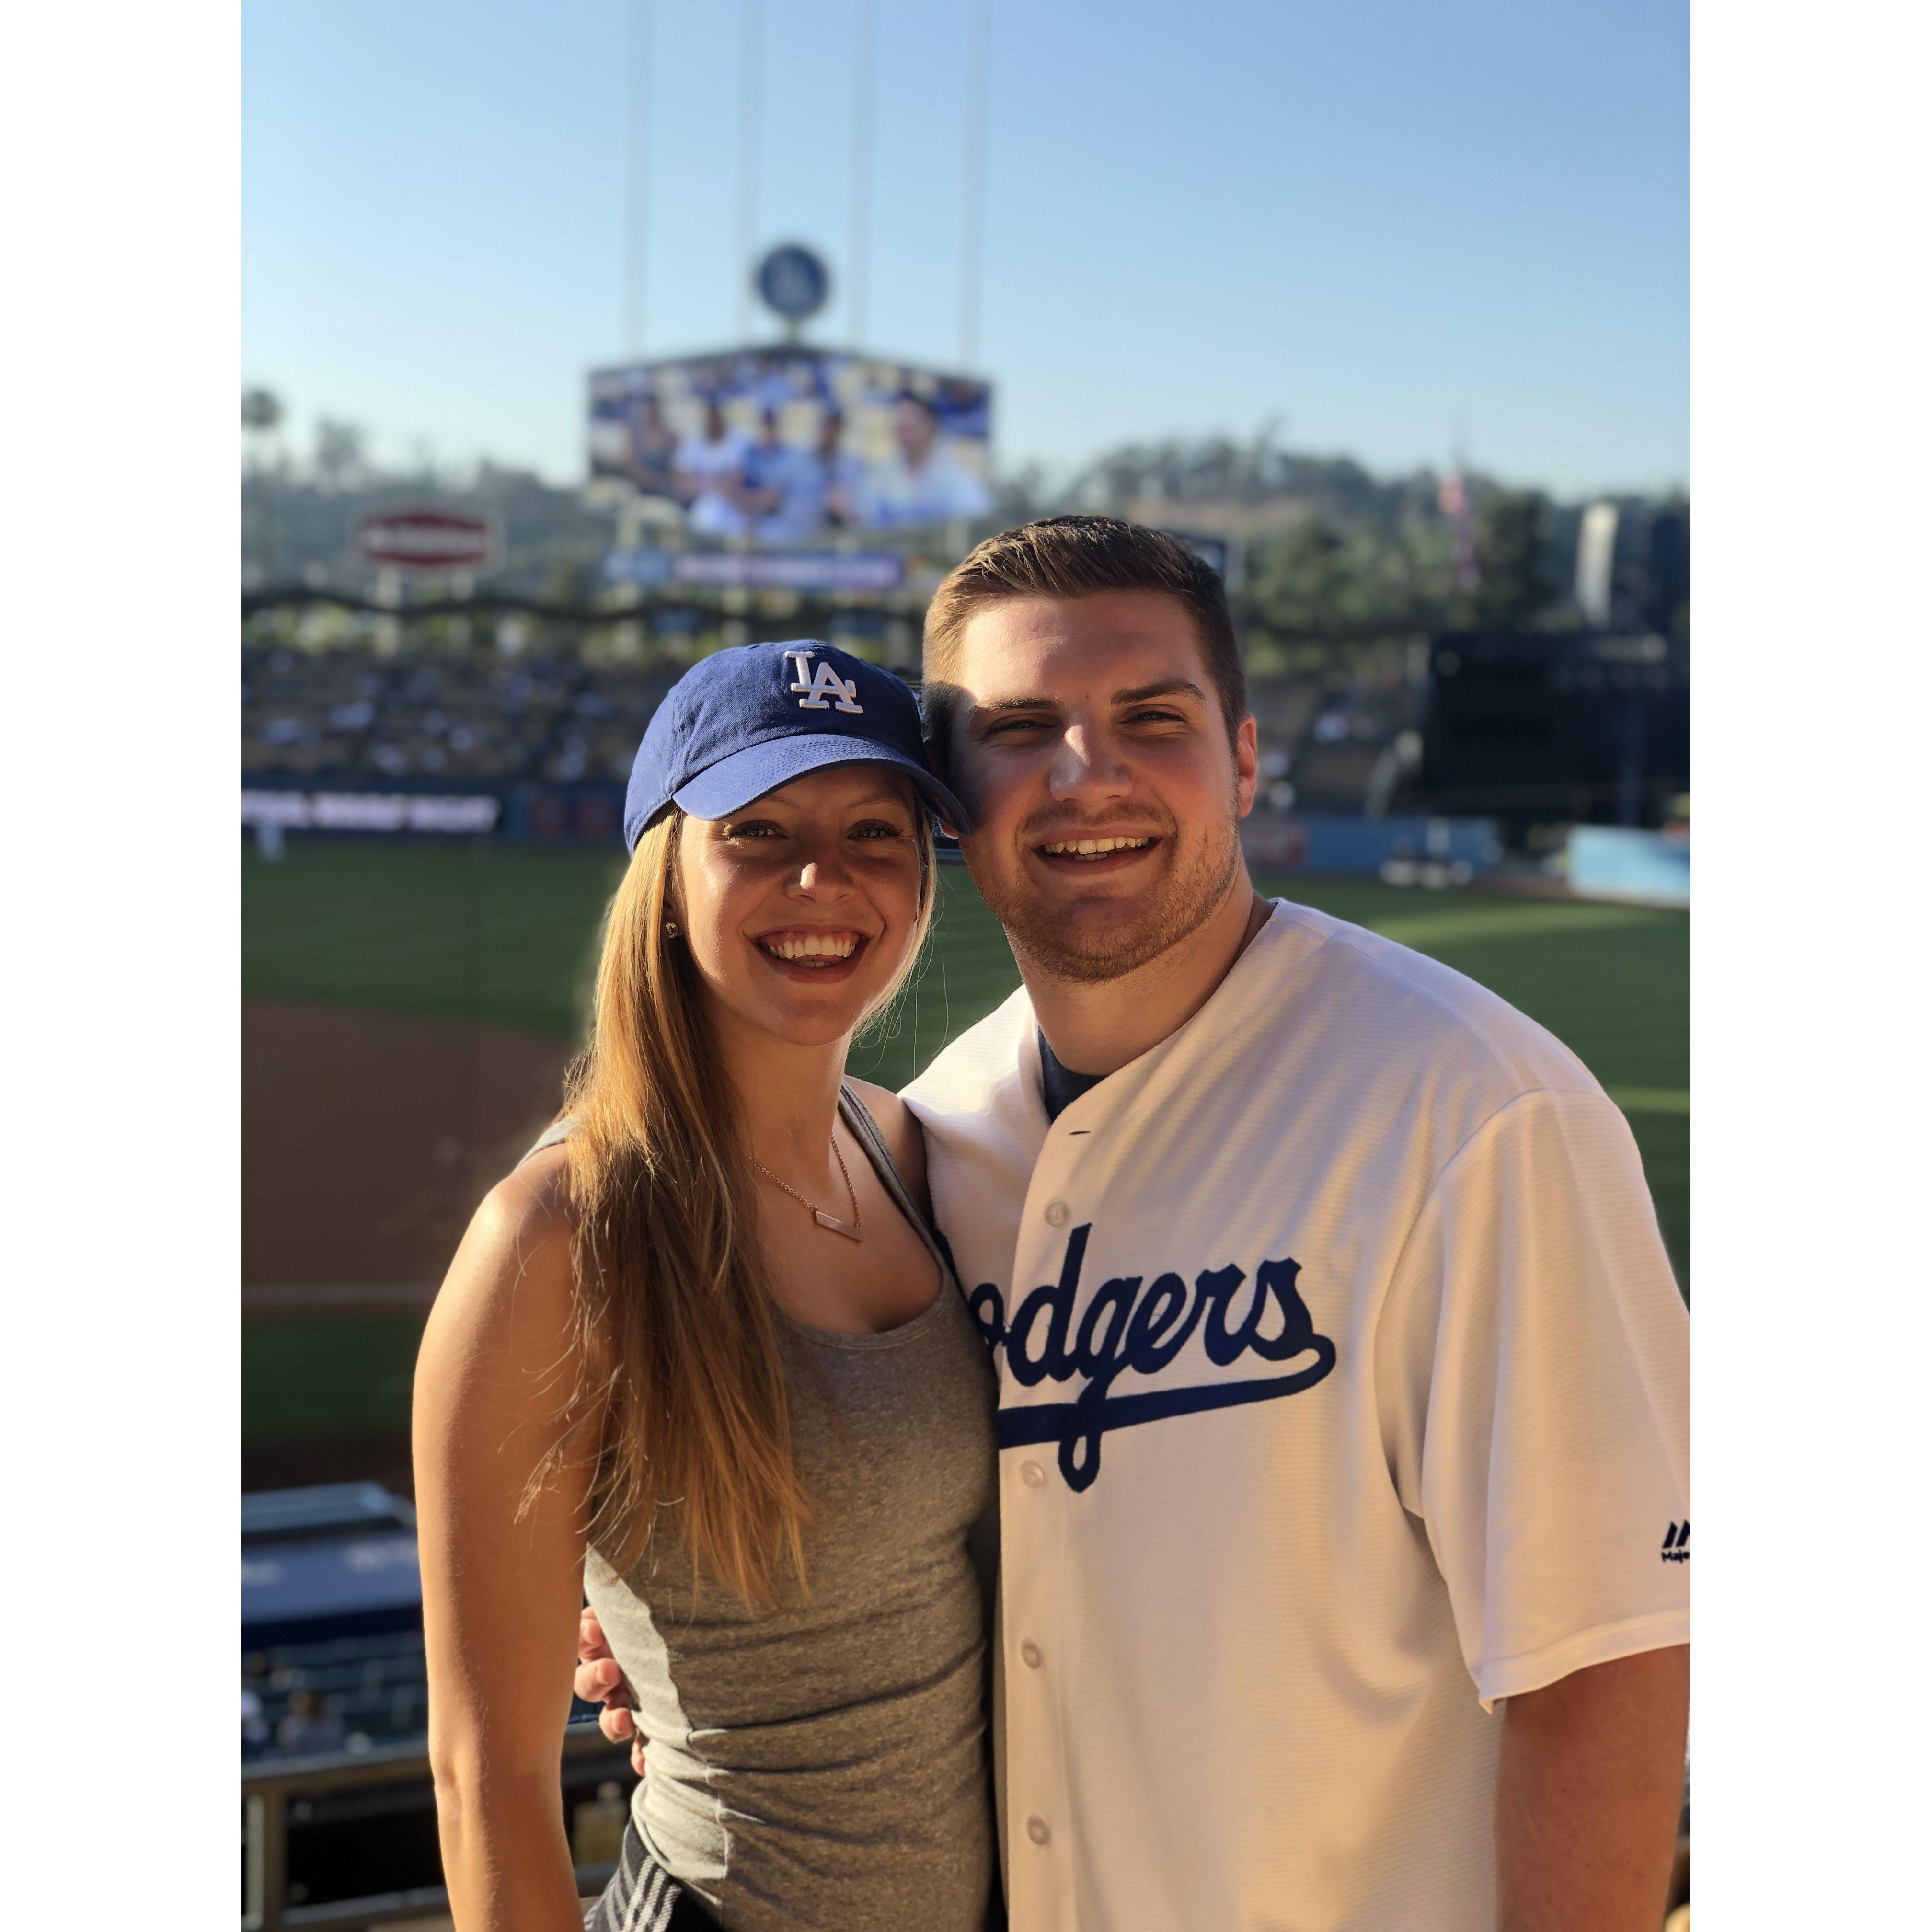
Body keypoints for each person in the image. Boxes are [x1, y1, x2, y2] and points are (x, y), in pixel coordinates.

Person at [584, 517, 1690, 1931]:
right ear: (953, 794)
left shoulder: (1474, 1110)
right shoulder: (933, 1138)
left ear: (1242, 758)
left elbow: (1601, 1657)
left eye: (1149, 719)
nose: (1084, 773)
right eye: (1021, 726)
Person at [414, 640, 1000, 1932]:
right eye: (760, 830)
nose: (822, 880)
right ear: (667, 877)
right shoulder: (557, 1242)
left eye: (872, 833)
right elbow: (487, 1773)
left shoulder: (906, 1150)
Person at [859, 392, 993, 529]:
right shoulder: (883, 474)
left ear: (931, 425)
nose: (906, 437)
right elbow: (867, 520)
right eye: (901, 428)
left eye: (912, 428)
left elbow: (975, 523)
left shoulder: (955, 476)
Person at [673, 397, 754, 539]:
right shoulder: (693, 441)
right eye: (710, 416)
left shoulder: (738, 440)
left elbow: (735, 482)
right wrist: (713, 485)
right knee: (704, 517)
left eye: (716, 416)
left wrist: (702, 483)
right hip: (700, 504)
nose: (713, 421)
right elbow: (683, 481)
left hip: (733, 505)